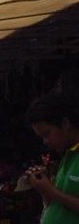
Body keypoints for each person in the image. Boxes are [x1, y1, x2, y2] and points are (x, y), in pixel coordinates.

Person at [25, 91, 79, 223]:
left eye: (47, 133)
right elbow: (56, 206)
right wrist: (44, 188)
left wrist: (50, 191)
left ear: (65, 123)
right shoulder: (68, 155)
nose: (45, 141)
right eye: (41, 137)